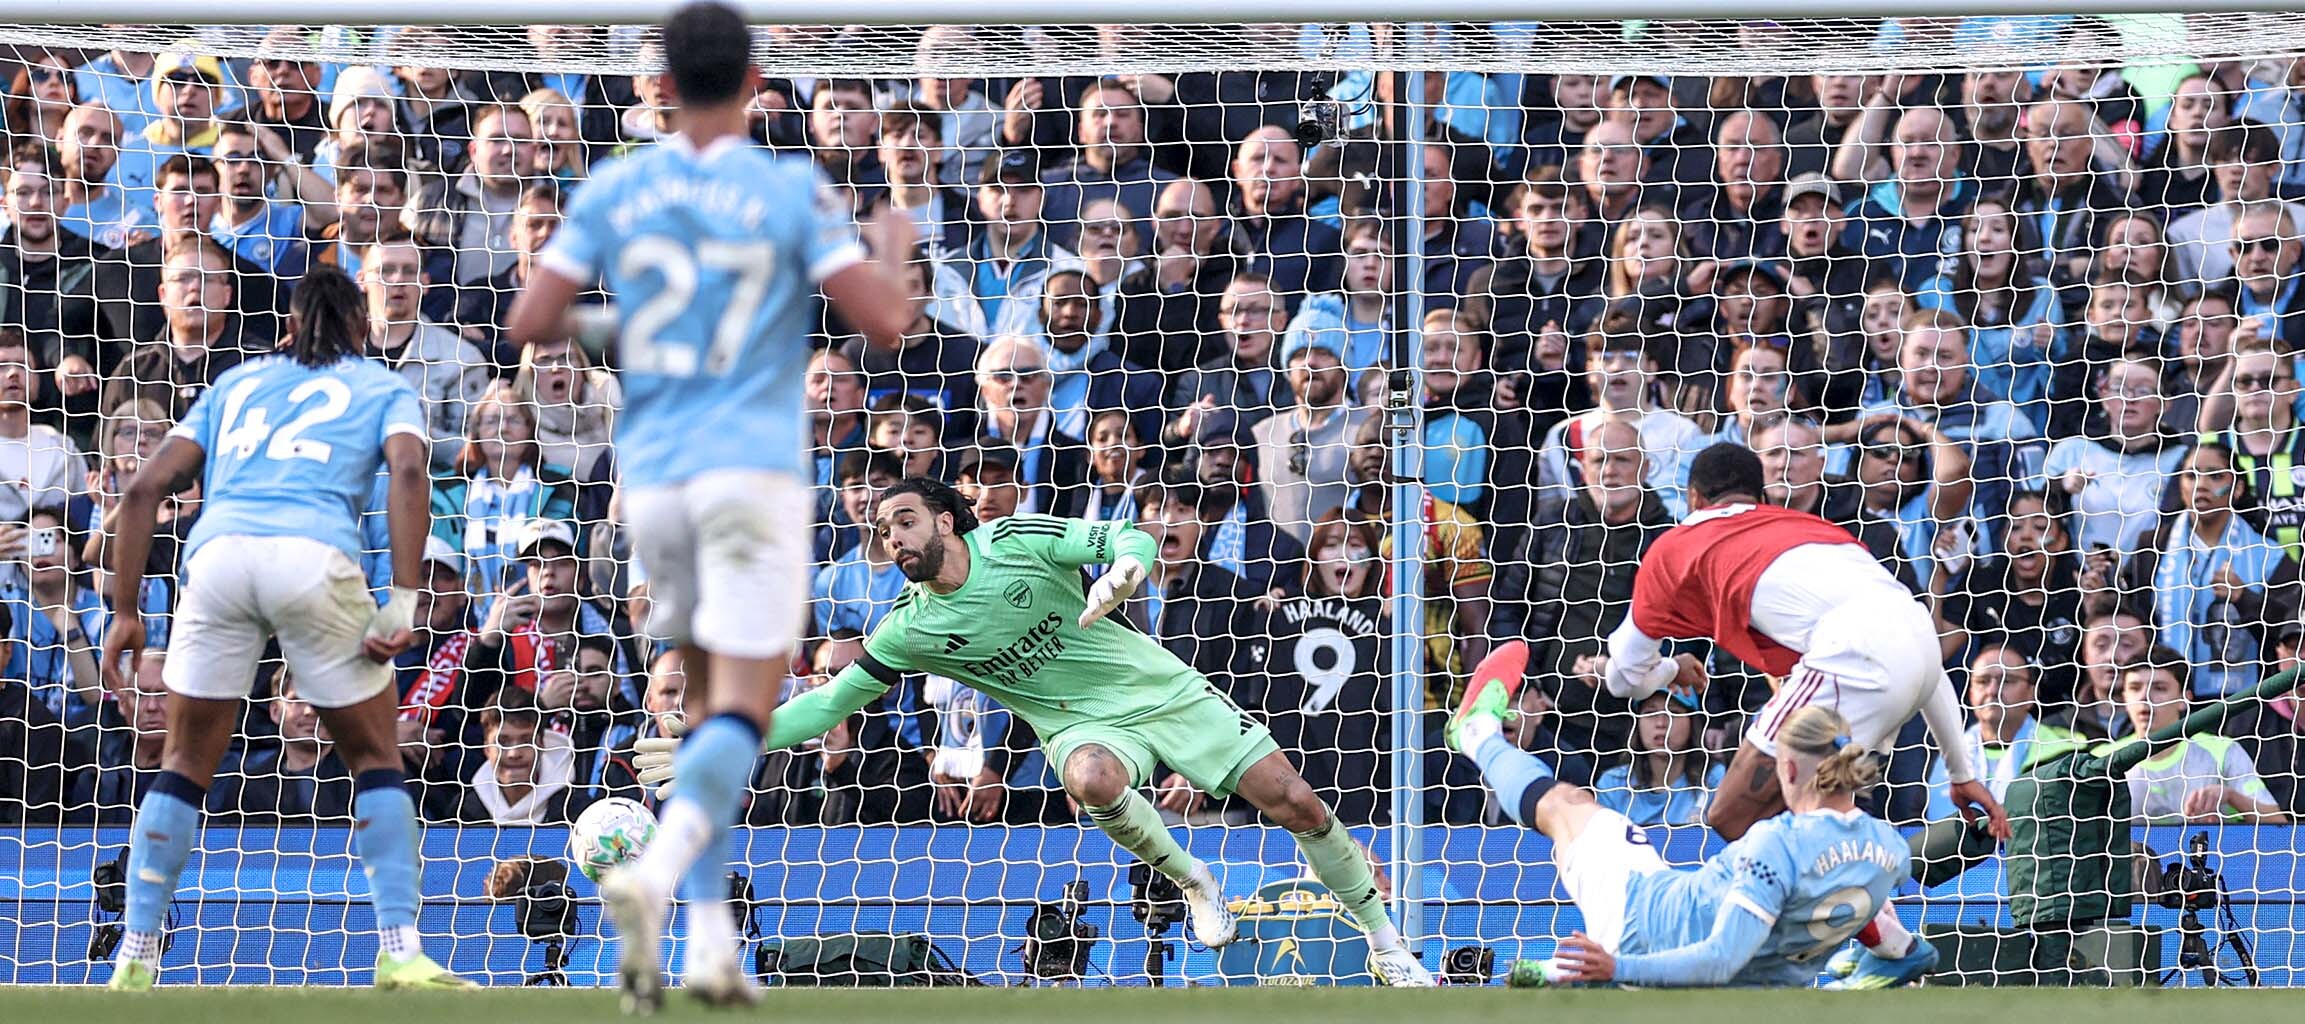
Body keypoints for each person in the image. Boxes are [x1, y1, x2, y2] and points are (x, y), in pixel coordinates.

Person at [504, 2, 909, 1008]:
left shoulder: (618, 184)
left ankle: (711, 940)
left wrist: (629, 323)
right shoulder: (786, 184)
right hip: (751, 469)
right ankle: (664, 882)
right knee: (738, 709)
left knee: (693, 707)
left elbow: (530, 318)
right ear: (756, 82)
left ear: (661, 87)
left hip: (653, 477)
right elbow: (885, 322)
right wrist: (895, 242)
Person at [637, 479, 1436, 985]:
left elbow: (1124, 538)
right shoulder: (908, 628)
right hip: (1079, 725)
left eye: (905, 520)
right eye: (883, 531)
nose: (893, 537)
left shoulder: (1016, 541)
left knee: (1295, 803)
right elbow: (825, 706)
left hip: (1160, 690)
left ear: (945, 519)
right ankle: (1192, 880)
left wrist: (1127, 570)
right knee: (1090, 780)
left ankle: (1384, 942)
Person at [97, 265, 469, 990]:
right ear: (361, 329)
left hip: (217, 558)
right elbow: (408, 473)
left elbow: (142, 489)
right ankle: (399, 950)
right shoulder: (382, 386)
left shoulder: (236, 382)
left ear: (290, 326)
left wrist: (125, 611)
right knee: (375, 757)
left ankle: (135, 956)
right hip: (313, 555)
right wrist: (402, 598)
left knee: (183, 764)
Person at [1597, 442, 2009, 988]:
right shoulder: (1817, 531)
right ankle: (1884, 942)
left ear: (1693, 498)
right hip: (1912, 659)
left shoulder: (1676, 546)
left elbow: (1621, 677)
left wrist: (1671, 670)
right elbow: (1918, 647)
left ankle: (1841, 942)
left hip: (1851, 657)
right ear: (1762, 497)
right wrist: (1960, 772)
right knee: (1810, 814)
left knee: (1731, 814)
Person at [1447, 662, 1908, 989]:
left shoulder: (1777, 842)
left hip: (1641, 922)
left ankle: (1477, 735)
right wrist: (1869, 969)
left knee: (1566, 805)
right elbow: (1908, 954)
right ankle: (1559, 975)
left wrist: (1616, 968)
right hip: (1718, 973)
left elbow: (1720, 959)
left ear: (1786, 769)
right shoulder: (1888, 852)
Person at [2111, 648, 2288, 825]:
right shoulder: (2105, 759)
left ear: (2184, 698)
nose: (2145, 697)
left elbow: (2279, 828)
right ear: (2124, 697)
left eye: (2159, 688)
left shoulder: (2222, 751)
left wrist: (2230, 796)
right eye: (2135, 688)